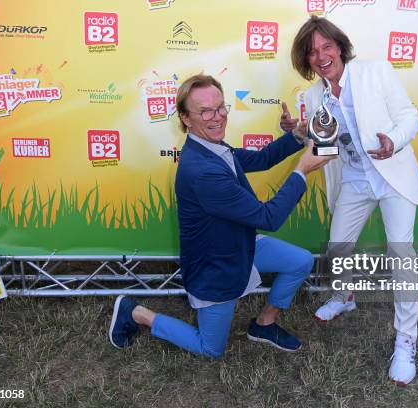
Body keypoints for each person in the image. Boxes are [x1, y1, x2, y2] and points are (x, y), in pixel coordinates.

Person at [109, 74, 332, 358]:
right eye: (206, 111)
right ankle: (137, 312)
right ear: (186, 118)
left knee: (300, 261)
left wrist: (299, 134)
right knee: (210, 349)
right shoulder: (202, 170)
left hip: (240, 245)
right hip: (216, 268)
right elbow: (268, 218)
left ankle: (264, 323)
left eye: (221, 107)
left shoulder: (212, 147)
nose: (218, 117)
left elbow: (261, 159)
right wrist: (301, 171)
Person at [281, 16, 418, 386]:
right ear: (306, 60)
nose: (321, 56)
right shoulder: (314, 97)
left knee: (400, 253)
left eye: (326, 47)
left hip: (393, 175)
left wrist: (392, 139)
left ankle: (406, 340)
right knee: (337, 246)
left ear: (340, 47)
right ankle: (345, 296)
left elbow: (410, 117)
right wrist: (295, 131)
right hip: (356, 180)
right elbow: (322, 141)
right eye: (312, 52)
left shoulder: (376, 71)